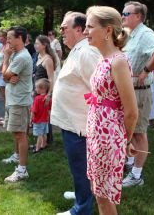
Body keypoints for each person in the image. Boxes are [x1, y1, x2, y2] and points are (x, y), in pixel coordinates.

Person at [84, 5, 138, 214]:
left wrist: (125, 141)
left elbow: (132, 111)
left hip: (108, 138)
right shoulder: (102, 58)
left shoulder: (118, 62)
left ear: (107, 30)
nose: (86, 31)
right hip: (97, 133)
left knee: (104, 198)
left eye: (90, 27)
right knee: (98, 193)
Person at [51, 11, 101, 215]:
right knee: (79, 168)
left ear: (79, 29)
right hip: (71, 122)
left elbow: (100, 89)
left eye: (64, 27)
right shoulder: (77, 49)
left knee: (81, 169)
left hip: (80, 125)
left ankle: (81, 209)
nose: (60, 31)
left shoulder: (87, 52)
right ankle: (83, 195)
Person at [121, 1, 154, 188]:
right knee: (130, 132)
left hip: (139, 93)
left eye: (126, 13)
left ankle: (136, 176)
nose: (122, 15)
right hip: (129, 92)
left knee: (139, 133)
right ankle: (131, 163)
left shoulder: (145, 34)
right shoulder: (130, 34)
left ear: (138, 16)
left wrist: (146, 70)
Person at [1, 26, 33, 183]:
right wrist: (7, 77)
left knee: (20, 134)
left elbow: (4, 74)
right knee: (17, 132)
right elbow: (6, 77)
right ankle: (16, 156)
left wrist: (5, 59)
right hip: (14, 99)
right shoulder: (17, 54)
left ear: (19, 38)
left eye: (9, 38)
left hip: (19, 101)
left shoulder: (20, 57)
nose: (7, 41)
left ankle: (22, 170)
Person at [33, 35, 57, 144]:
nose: (35, 45)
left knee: (44, 117)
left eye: (37, 43)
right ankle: (40, 139)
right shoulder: (39, 57)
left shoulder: (47, 59)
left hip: (44, 93)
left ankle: (46, 140)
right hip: (37, 91)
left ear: (44, 45)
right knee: (38, 115)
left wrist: (48, 94)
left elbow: (51, 78)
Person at [31, 78, 52, 153]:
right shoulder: (48, 98)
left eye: (36, 87)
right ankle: (44, 145)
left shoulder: (37, 98)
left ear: (42, 89)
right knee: (44, 133)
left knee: (39, 135)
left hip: (38, 120)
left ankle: (37, 148)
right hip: (45, 120)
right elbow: (49, 110)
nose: (35, 89)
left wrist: (31, 119)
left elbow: (34, 111)